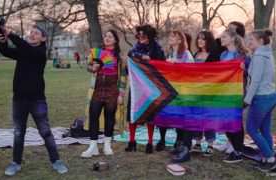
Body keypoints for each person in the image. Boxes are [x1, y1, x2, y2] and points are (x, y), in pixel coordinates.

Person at [0, 25, 67, 176]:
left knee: (45, 131)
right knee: (18, 132)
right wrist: (2, 41)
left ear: (43, 39)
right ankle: (16, 163)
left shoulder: (40, 53)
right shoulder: (24, 50)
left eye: (37, 33)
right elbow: (6, 51)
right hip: (18, 99)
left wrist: (11, 35)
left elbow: (26, 49)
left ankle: (56, 161)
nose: (32, 34)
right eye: (31, 32)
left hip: (37, 100)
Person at [81, 29, 127, 158]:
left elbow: (123, 76)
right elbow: (87, 66)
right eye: (105, 36)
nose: (106, 38)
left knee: (109, 117)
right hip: (97, 89)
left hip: (112, 90)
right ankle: (93, 147)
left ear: (115, 40)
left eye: (110, 36)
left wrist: (121, 95)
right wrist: (93, 68)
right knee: (93, 115)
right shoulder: (97, 52)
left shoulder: (120, 56)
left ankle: (107, 145)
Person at [124, 24, 165, 154]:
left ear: (150, 36)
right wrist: (126, 65)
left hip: (151, 89)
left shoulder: (158, 51)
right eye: (139, 35)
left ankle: (149, 143)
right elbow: (128, 72)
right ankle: (131, 141)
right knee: (133, 113)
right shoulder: (133, 51)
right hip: (136, 88)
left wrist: (152, 62)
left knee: (150, 114)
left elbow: (162, 70)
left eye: (144, 35)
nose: (140, 37)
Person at [244, 29, 276, 172]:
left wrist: (247, 100)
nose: (249, 42)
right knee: (265, 129)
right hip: (271, 96)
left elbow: (256, 81)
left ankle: (270, 159)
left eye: (251, 39)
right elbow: (263, 75)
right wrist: (246, 68)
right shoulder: (267, 54)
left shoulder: (258, 56)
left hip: (261, 98)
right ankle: (267, 157)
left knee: (251, 129)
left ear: (260, 41)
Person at [156, 31, 194, 152]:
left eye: (173, 36)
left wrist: (178, 65)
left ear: (179, 40)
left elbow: (192, 71)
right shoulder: (169, 53)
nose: (170, 38)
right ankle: (162, 139)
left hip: (182, 91)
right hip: (169, 89)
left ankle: (179, 140)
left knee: (180, 115)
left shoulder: (186, 54)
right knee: (165, 113)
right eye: (170, 35)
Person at [219, 28, 251, 163]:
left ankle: (238, 150)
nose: (221, 39)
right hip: (223, 94)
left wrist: (245, 69)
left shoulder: (243, 56)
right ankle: (234, 146)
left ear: (232, 38)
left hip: (236, 94)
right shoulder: (223, 55)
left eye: (224, 37)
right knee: (226, 121)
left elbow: (252, 72)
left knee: (236, 122)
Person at [190, 30, 220, 157]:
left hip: (210, 91)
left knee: (208, 117)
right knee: (197, 116)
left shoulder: (214, 54)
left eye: (203, 38)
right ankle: (197, 142)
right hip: (196, 91)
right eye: (198, 38)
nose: (199, 41)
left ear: (209, 40)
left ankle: (210, 145)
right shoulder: (197, 54)